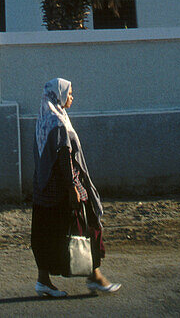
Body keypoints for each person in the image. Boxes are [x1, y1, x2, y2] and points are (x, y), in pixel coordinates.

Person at [31, 77, 121, 299]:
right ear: (59, 95)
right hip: (63, 190)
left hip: (45, 190)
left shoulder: (46, 118)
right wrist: (74, 188)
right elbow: (64, 156)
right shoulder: (58, 122)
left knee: (46, 233)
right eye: (69, 93)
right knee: (87, 227)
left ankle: (44, 281)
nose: (72, 97)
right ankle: (95, 276)